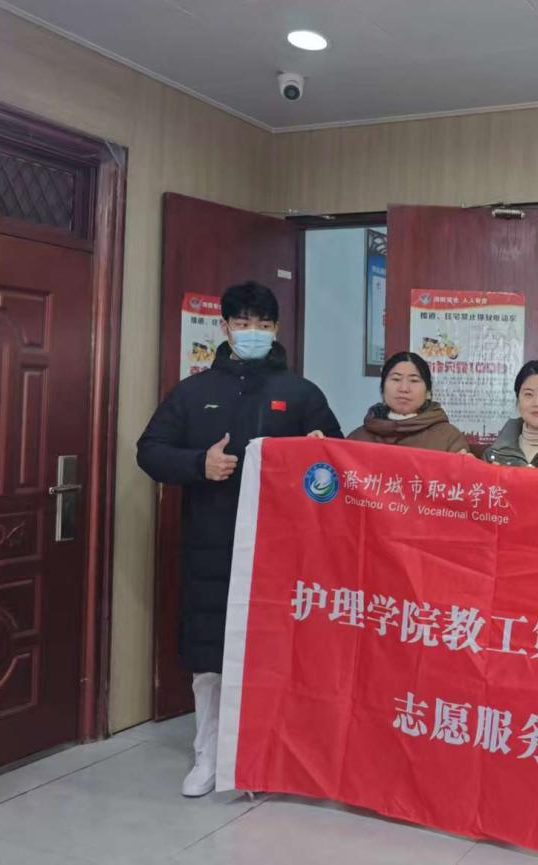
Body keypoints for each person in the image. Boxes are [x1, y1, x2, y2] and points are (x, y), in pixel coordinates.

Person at [137, 281, 342, 798]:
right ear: (225, 328)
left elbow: (336, 466)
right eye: (243, 323)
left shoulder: (301, 393)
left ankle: (265, 754)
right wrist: (198, 464)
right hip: (211, 544)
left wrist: (322, 452)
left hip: (282, 549)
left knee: (274, 652)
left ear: (276, 329)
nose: (253, 332)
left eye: (263, 324)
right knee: (209, 656)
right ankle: (208, 754)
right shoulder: (193, 392)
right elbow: (150, 450)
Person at [347, 351, 470, 453]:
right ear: (382, 389)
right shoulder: (358, 438)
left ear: (428, 392)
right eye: (396, 379)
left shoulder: (448, 438)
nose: (404, 388)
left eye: (414, 380)